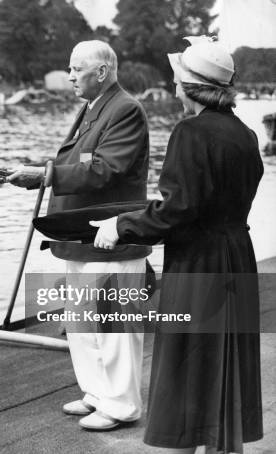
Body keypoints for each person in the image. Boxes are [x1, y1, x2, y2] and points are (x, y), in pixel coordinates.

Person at [92, 36, 264, 453]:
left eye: (176, 82)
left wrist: (121, 226)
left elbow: (175, 210)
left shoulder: (190, 132)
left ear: (189, 86)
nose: (172, 89)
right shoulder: (245, 134)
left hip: (199, 261)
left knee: (187, 369)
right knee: (224, 368)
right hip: (237, 256)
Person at [8, 40, 151, 430]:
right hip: (84, 233)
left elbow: (107, 168)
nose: (69, 75)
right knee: (83, 316)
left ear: (101, 72)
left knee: (114, 321)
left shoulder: (125, 109)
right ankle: (97, 393)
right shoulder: (94, 107)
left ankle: (122, 404)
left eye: (75, 69)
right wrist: (43, 171)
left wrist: (45, 174)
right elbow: (81, 160)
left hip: (111, 235)